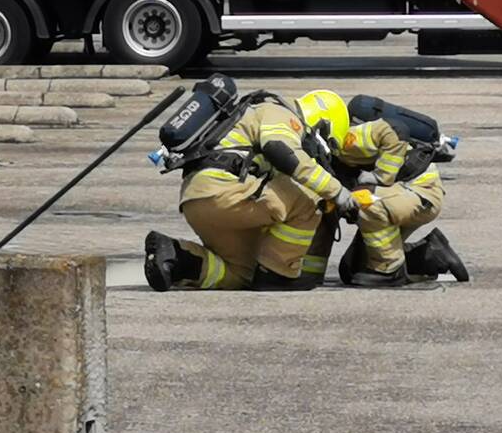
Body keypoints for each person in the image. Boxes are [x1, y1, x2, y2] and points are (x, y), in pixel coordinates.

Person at [144, 88, 359, 291]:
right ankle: (279, 274)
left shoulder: (253, 114)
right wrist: (338, 192)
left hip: (197, 201)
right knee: (310, 197)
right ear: (322, 125)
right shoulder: (282, 114)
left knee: (242, 274)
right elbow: (280, 150)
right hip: (226, 191)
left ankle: (175, 257)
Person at [330, 116, 469, 286]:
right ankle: (430, 253)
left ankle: (390, 271)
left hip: (420, 191)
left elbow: (398, 130)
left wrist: (380, 177)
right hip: (397, 195)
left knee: (365, 201)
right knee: (352, 269)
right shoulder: (322, 155)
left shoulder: (350, 138)